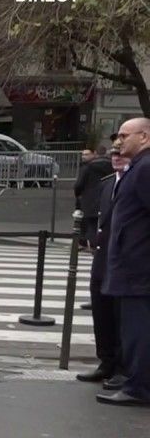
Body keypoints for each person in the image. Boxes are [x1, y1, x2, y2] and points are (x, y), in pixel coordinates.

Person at [97, 117, 150, 406]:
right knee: (134, 328)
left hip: (138, 267)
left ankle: (138, 387)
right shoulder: (138, 167)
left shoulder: (145, 168)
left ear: (144, 137)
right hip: (134, 265)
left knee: (138, 330)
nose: (118, 141)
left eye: (125, 135)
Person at [77, 151, 128, 388]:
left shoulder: (135, 182)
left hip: (125, 261)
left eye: (122, 154)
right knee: (101, 312)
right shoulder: (107, 185)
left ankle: (122, 367)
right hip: (102, 258)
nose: (117, 157)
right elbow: (100, 219)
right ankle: (105, 362)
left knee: (121, 317)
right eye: (114, 154)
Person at [75, 146, 113, 250]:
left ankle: (92, 245)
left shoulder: (88, 167)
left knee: (91, 223)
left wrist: (78, 194)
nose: (83, 157)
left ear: (95, 154)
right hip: (107, 196)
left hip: (89, 198)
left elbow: (79, 184)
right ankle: (102, 245)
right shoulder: (112, 166)